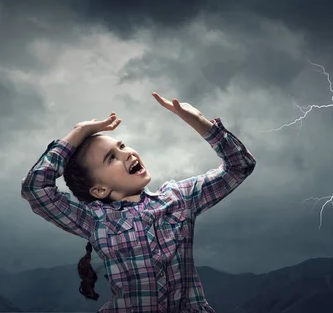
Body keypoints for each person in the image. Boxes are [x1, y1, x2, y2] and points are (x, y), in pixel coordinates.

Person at [20, 92, 256, 312]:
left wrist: (200, 122)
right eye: (111, 157)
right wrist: (79, 132)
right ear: (100, 190)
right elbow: (36, 188)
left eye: (121, 146)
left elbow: (240, 166)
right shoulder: (94, 220)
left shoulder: (179, 198)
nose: (126, 153)